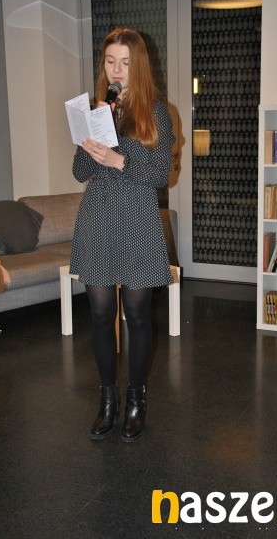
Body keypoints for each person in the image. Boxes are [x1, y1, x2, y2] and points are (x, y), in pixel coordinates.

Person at [70, 28, 176, 442]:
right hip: (97, 213)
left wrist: (117, 160)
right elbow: (79, 172)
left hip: (137, 214)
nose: (117, 70)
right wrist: (92, 139)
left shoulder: (156, 112)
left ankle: (136, 399)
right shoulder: (98, 111)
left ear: (139, 66)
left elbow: (159, 175)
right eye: (111, 61)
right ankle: (107, 400)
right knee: (100, 314)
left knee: (137, 313)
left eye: (125, 63)